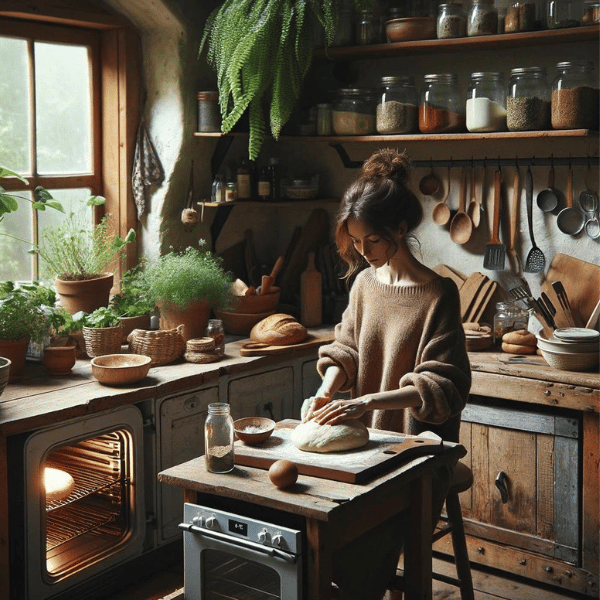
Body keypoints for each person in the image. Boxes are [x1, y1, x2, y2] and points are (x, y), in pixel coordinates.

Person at [301, 148, 471, 600]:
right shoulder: (363, 284)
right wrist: (326, 390)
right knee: (310, 518)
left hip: (417, 452)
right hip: (365, 442)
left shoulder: (439, 295)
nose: (362, 252)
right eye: (355, 242)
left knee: (361, 535)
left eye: (371, 240)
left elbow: (443, 385)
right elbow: (346, 349)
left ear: (399, 229)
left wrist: (365, 402)